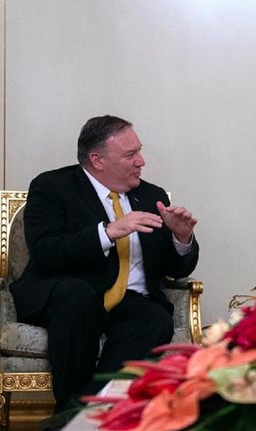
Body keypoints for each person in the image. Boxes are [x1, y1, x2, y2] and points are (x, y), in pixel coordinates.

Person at [11, 115, 199, 414]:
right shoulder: (53, 186)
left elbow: (176, 270)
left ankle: (81, 414)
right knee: (79, 297)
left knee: (155, 319)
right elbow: (46, 251)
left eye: (139, 151)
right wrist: (108, 232)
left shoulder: (152, 196)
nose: (141, 161)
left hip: (127, 300)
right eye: (130, 154)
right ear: (97, 160)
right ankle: (75, 416)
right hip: (64, 293)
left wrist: (182, 237)